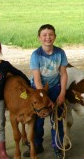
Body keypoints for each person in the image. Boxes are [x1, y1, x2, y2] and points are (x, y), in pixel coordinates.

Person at [25, 24, 69, 158]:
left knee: (57, 118)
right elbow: (37, 80)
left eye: (50, 35)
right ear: (39, 38)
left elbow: (63, 74)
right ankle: (37, 145)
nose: (48, 37)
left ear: (55, 36)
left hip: (55, 88)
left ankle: (57, 146)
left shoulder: (60, 52)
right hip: (38, 91)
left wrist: (62, 93)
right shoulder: (36, 55)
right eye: (44, 35)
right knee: (38, 119)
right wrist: (46, 100)